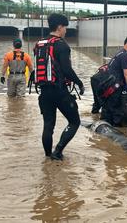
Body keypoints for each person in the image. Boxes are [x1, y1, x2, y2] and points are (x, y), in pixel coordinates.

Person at [34, 13, 85, 160]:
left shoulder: (39, 44)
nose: (66, 31)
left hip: (44, 92)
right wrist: (80, 83)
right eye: (65, 28)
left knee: (48, 125)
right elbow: (67, 70)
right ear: (59, 27)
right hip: (59, 91)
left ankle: (48, 157)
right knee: (75, 121)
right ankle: (58, 151)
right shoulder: (61, 45)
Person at [101, 35, 127, 126]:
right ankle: (114, 128)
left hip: (109, 85)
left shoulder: (119, 53)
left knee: (108, 107)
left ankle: (104, 126)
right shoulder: (125, 56)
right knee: (116, 108)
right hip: (115, 86)